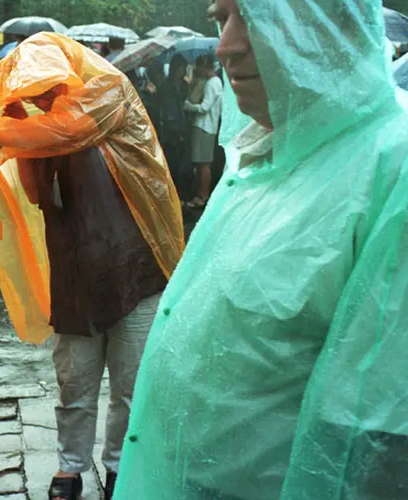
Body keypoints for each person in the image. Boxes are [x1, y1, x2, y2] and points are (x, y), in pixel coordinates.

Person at [115, 0, 408, 498]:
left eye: (254, 18)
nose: (226, 47)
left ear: (331, 24)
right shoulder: (264, 149)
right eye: (221, 20)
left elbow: (376, 436)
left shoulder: (390, 170)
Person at [0, 33, 184, 500]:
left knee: (130, 382)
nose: (40, 98)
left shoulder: (108, 93)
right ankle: (70, 467)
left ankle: (121, 466)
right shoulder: (42, 127)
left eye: (44, 87)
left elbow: (70, 129)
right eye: (30, 91)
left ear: (66, 71)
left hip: (136, 271)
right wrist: (22, 137)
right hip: (76, 276)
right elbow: (37, 194)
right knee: (74, 381)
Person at [185, 55, 223, 209]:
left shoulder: (210, 84)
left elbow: (204, 107)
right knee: (203, 163)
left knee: (203, 164)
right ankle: (202, 194)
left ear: (204, 67)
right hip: (210, 126)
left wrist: (188, 105)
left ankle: (203, 196)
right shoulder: (217, 82)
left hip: (203, 126)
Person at [159, 54, 192, 201]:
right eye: (179, 68)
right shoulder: (166, 87)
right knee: (172, 165)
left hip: (183, 129)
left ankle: (181, 198)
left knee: (183, 168)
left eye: (183, 69)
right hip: (170, 132)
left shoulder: (183, 85)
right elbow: (167, 111)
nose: (181, 71)